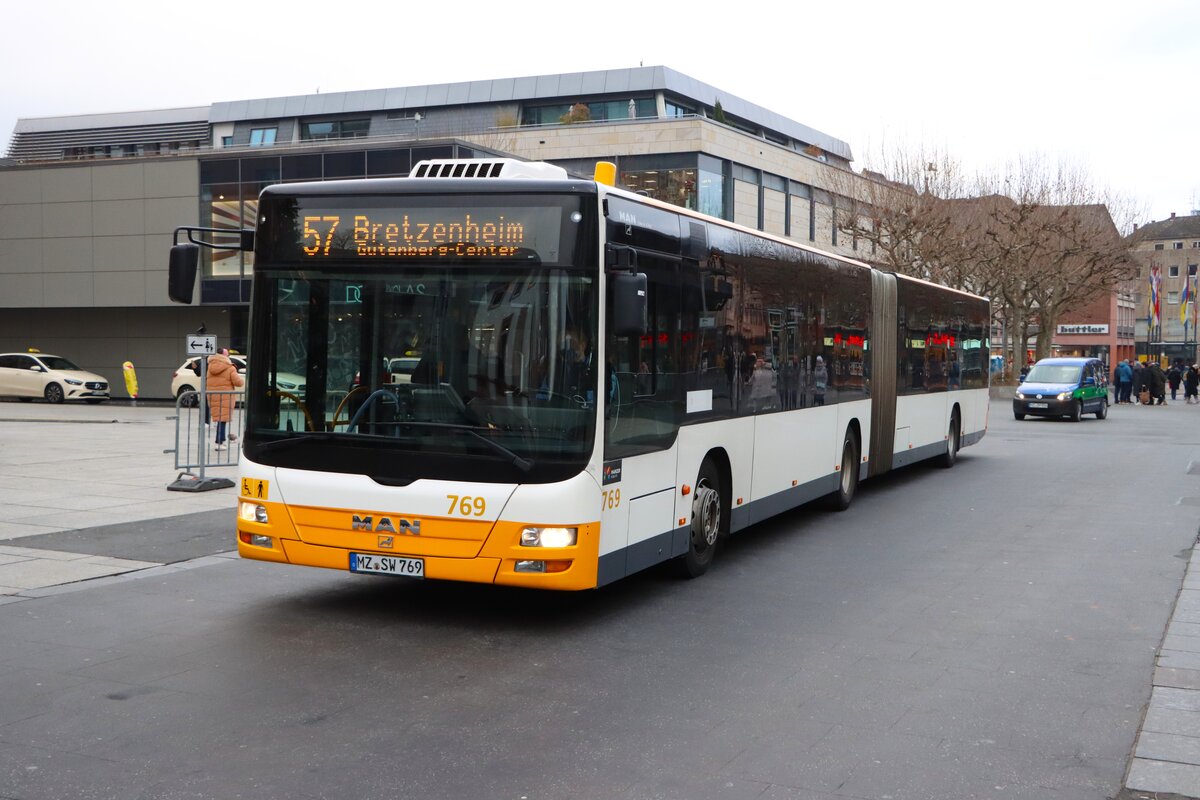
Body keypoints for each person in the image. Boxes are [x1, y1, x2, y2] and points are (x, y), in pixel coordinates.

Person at [207, 348, 244, 450]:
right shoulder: (230, 368)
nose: (228, 356)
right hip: (226, 397)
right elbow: (239, 383)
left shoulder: (210, 366)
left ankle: (221, 440)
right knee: (222, 420)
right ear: (223, 356)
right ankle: (219, 442)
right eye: (227, 355)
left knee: (220, 420)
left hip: (213, 396)